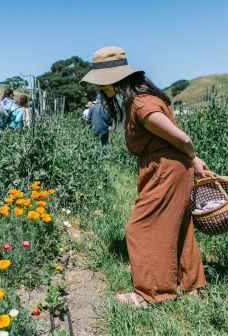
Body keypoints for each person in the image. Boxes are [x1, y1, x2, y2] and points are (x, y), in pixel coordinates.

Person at [81, 46, 207, 307]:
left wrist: (193, 158)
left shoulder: (141, 104)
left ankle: (151, 293)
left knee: (141, 228)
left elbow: (182, 137)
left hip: (167, 168)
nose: (103, 89)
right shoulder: (141, 99)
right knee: (178, 226)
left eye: (104, 83)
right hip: (168, 166)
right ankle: (189, 284)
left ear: (116, 80)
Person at [87, 93, 112, 159]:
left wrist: (91, 125)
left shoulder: (92, 108)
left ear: (97, 100)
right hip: (104, 129)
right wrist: (109, 124)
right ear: (102, 100)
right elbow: (108, 119)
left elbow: (88, 119)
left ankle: (98, 158)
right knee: (105, 142)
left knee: (97, 143)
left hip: (94, 129)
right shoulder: (105, 108)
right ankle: (106, 157)